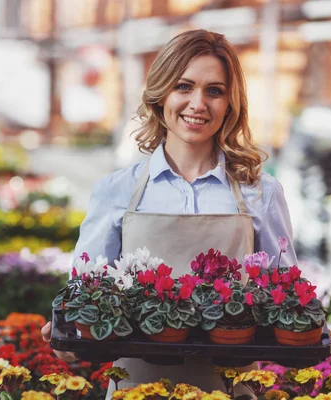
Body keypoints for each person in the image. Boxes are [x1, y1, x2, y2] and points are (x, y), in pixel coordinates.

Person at [42, 29, 301, 398]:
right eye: (184, 86)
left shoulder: (260, 192)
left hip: (229, 387)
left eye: (214, 90)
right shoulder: (116, 191)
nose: (198, 103)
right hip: (137, 387)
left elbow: (284, 292)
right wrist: (65, 334)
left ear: (231, 103)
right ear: (161, 94)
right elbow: (87, 289)